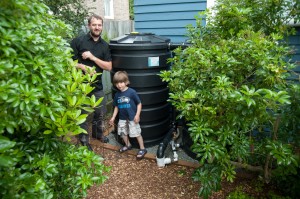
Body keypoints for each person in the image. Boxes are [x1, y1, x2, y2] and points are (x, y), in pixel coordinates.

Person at [70, 14, 112, 151]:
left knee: (100, 113)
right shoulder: (78, 41)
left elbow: (109, 66)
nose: (97, 27)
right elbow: (69, 62)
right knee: (82, 115)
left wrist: (92, 58)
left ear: (102, 27)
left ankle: (98, 134)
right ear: (89, 26)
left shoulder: (105, 46)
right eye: (94, 25)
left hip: (97, 86)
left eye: (99, 25)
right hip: (81, 86)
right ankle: (83, 140)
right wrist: (83, 67)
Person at [109, 71, 147, 159]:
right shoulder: (117, 94)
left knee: (136, 133)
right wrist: (113, 117)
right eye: (117, 83)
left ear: (126, 82)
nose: (119, 85)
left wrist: (137, 115)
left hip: (132, 118)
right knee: (122, 133)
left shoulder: (131, 92)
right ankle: (128, 145)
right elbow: (116, 107)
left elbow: (139, 104)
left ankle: (142, 148)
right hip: (122, 118)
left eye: (121, 82)